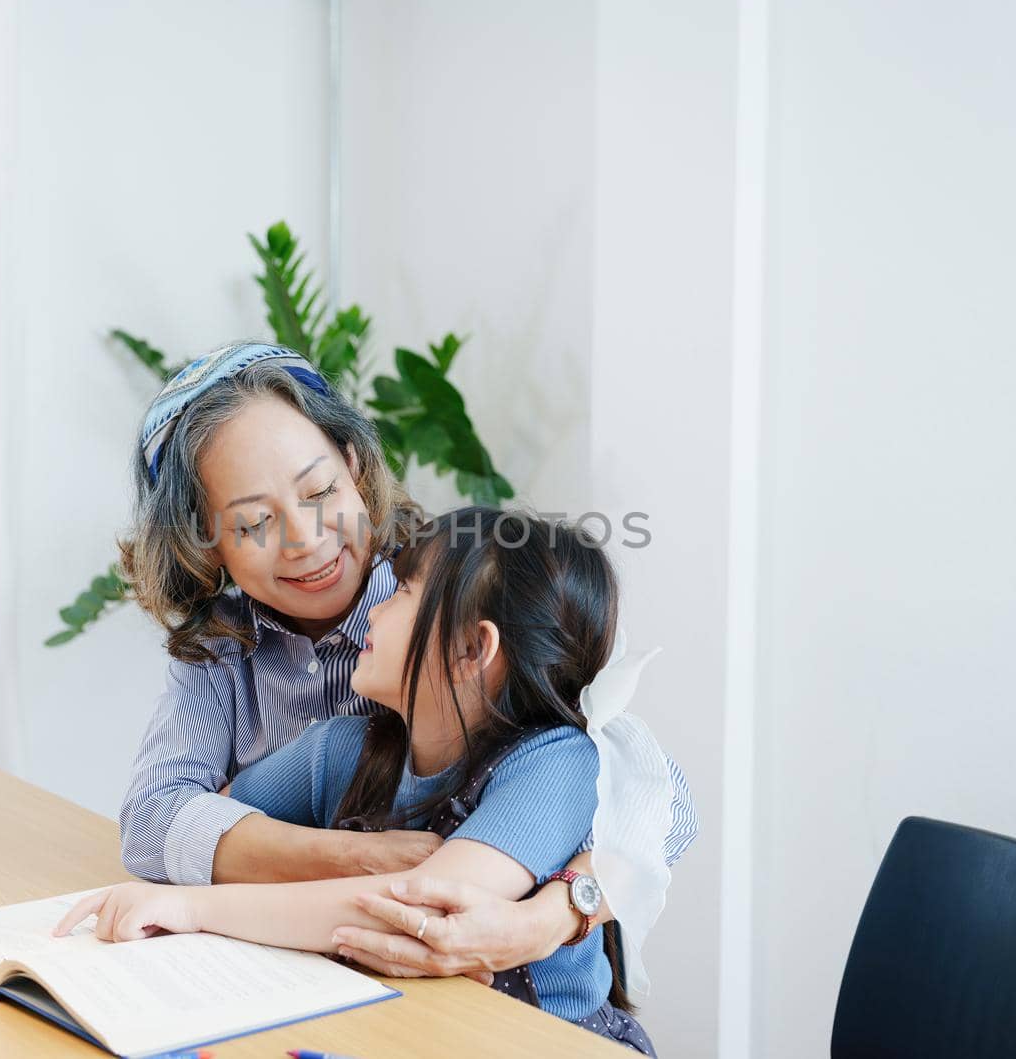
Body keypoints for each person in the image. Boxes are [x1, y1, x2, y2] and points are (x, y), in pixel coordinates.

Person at [116, 341, 698, 981]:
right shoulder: (243, 663)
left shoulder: (440, 587)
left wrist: (552, 916)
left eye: (320, 490)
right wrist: (344, 857)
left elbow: (647, 796)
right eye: (254, 523)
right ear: (204, 543)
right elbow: (152, 819)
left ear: (356, 465)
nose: (307, 541)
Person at [59, 507, 656, 1051]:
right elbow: (216, 822)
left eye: (403, 593)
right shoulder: (342, 749)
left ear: (473, 647)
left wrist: (194, 909)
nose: (374, 608)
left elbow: (421, 909)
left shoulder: (556, 763)